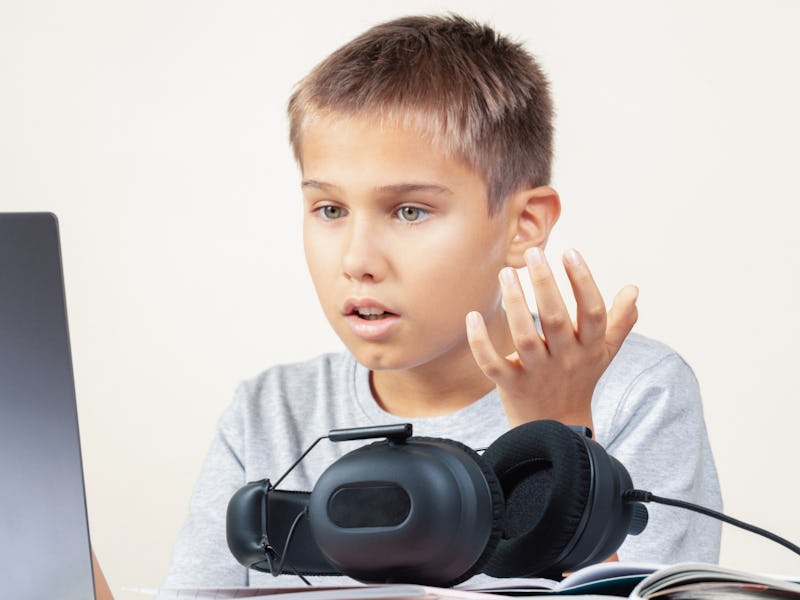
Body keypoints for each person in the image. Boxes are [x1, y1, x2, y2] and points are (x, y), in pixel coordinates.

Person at [163, 14, 722, 588]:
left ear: (522, 224)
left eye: (410, 211)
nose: (357, 260)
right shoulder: (268, 412)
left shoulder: (637, 392)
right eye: (330, 210)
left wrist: (557, 430)